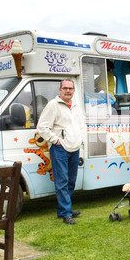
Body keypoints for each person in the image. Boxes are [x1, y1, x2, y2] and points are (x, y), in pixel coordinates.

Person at [37, 79, 84, 225]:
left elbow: (80, 125)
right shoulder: (53, 105)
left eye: (70, 88)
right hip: (60, 148)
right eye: (65, 88)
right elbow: (42, 127)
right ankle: (65, 213)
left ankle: (65, 209)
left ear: (74, 91)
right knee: (62, 181)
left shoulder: (76, 106)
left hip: (74, 147)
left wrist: (80, 139)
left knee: (71, 181)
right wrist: (55, 140)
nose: (68, 91)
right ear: (60, 90)